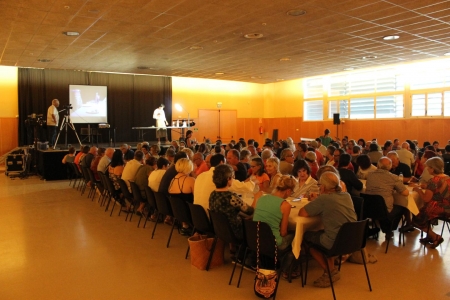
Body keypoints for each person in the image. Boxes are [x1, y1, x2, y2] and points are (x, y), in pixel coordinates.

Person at [299, 171, 357, 288]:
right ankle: (331, 268)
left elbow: (302, 213)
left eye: (320, 185)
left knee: (306, 236)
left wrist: (317, 199)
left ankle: (330, 271)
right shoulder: (346, 195)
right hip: (353, 239)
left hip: (335, 241)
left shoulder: (324, 199)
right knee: (324, 233)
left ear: (324, 187)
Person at [252, 175, 297, 279]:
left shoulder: (262, 198)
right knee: (296, 235)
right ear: (288, 191)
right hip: (273, 243)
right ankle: (286, 269)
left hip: (256, 240)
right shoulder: (285, 205)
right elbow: (283, 232)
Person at [365, 157, 409, 237]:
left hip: (369, 208)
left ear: (378, 165)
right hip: (384, 210)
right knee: (402, 207)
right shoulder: (393, 177)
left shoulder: (370, 175)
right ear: (390, 166)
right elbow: (405, 193)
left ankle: (385, 228)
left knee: (381, 204)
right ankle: (389, 230)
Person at [412, 157, 450, 248]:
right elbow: (439, 190)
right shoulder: (447, 177)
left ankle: (435, 237)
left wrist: (418, 190)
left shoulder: (433, 181)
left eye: (428, 167)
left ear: (432, 169)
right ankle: (429, 236)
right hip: (447, 206)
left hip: (438, 207)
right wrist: (427, 186)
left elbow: (426, 199)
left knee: (416, 219)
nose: (427, 169)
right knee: (423, 212)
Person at [209, 164, 254, 240]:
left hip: (219, 229)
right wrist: (256, 198)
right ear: (228, 179)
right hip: (234, 232)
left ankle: (232, 246)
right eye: (233, 177)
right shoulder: (231, 197)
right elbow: (250, 211)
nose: (233, 179)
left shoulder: (212, 194)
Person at [168, 158, 196, 235]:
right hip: (189, 213)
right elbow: (197, 197)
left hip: (177, 213)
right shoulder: (190, 180)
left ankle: (185, 225)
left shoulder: (173, 179)